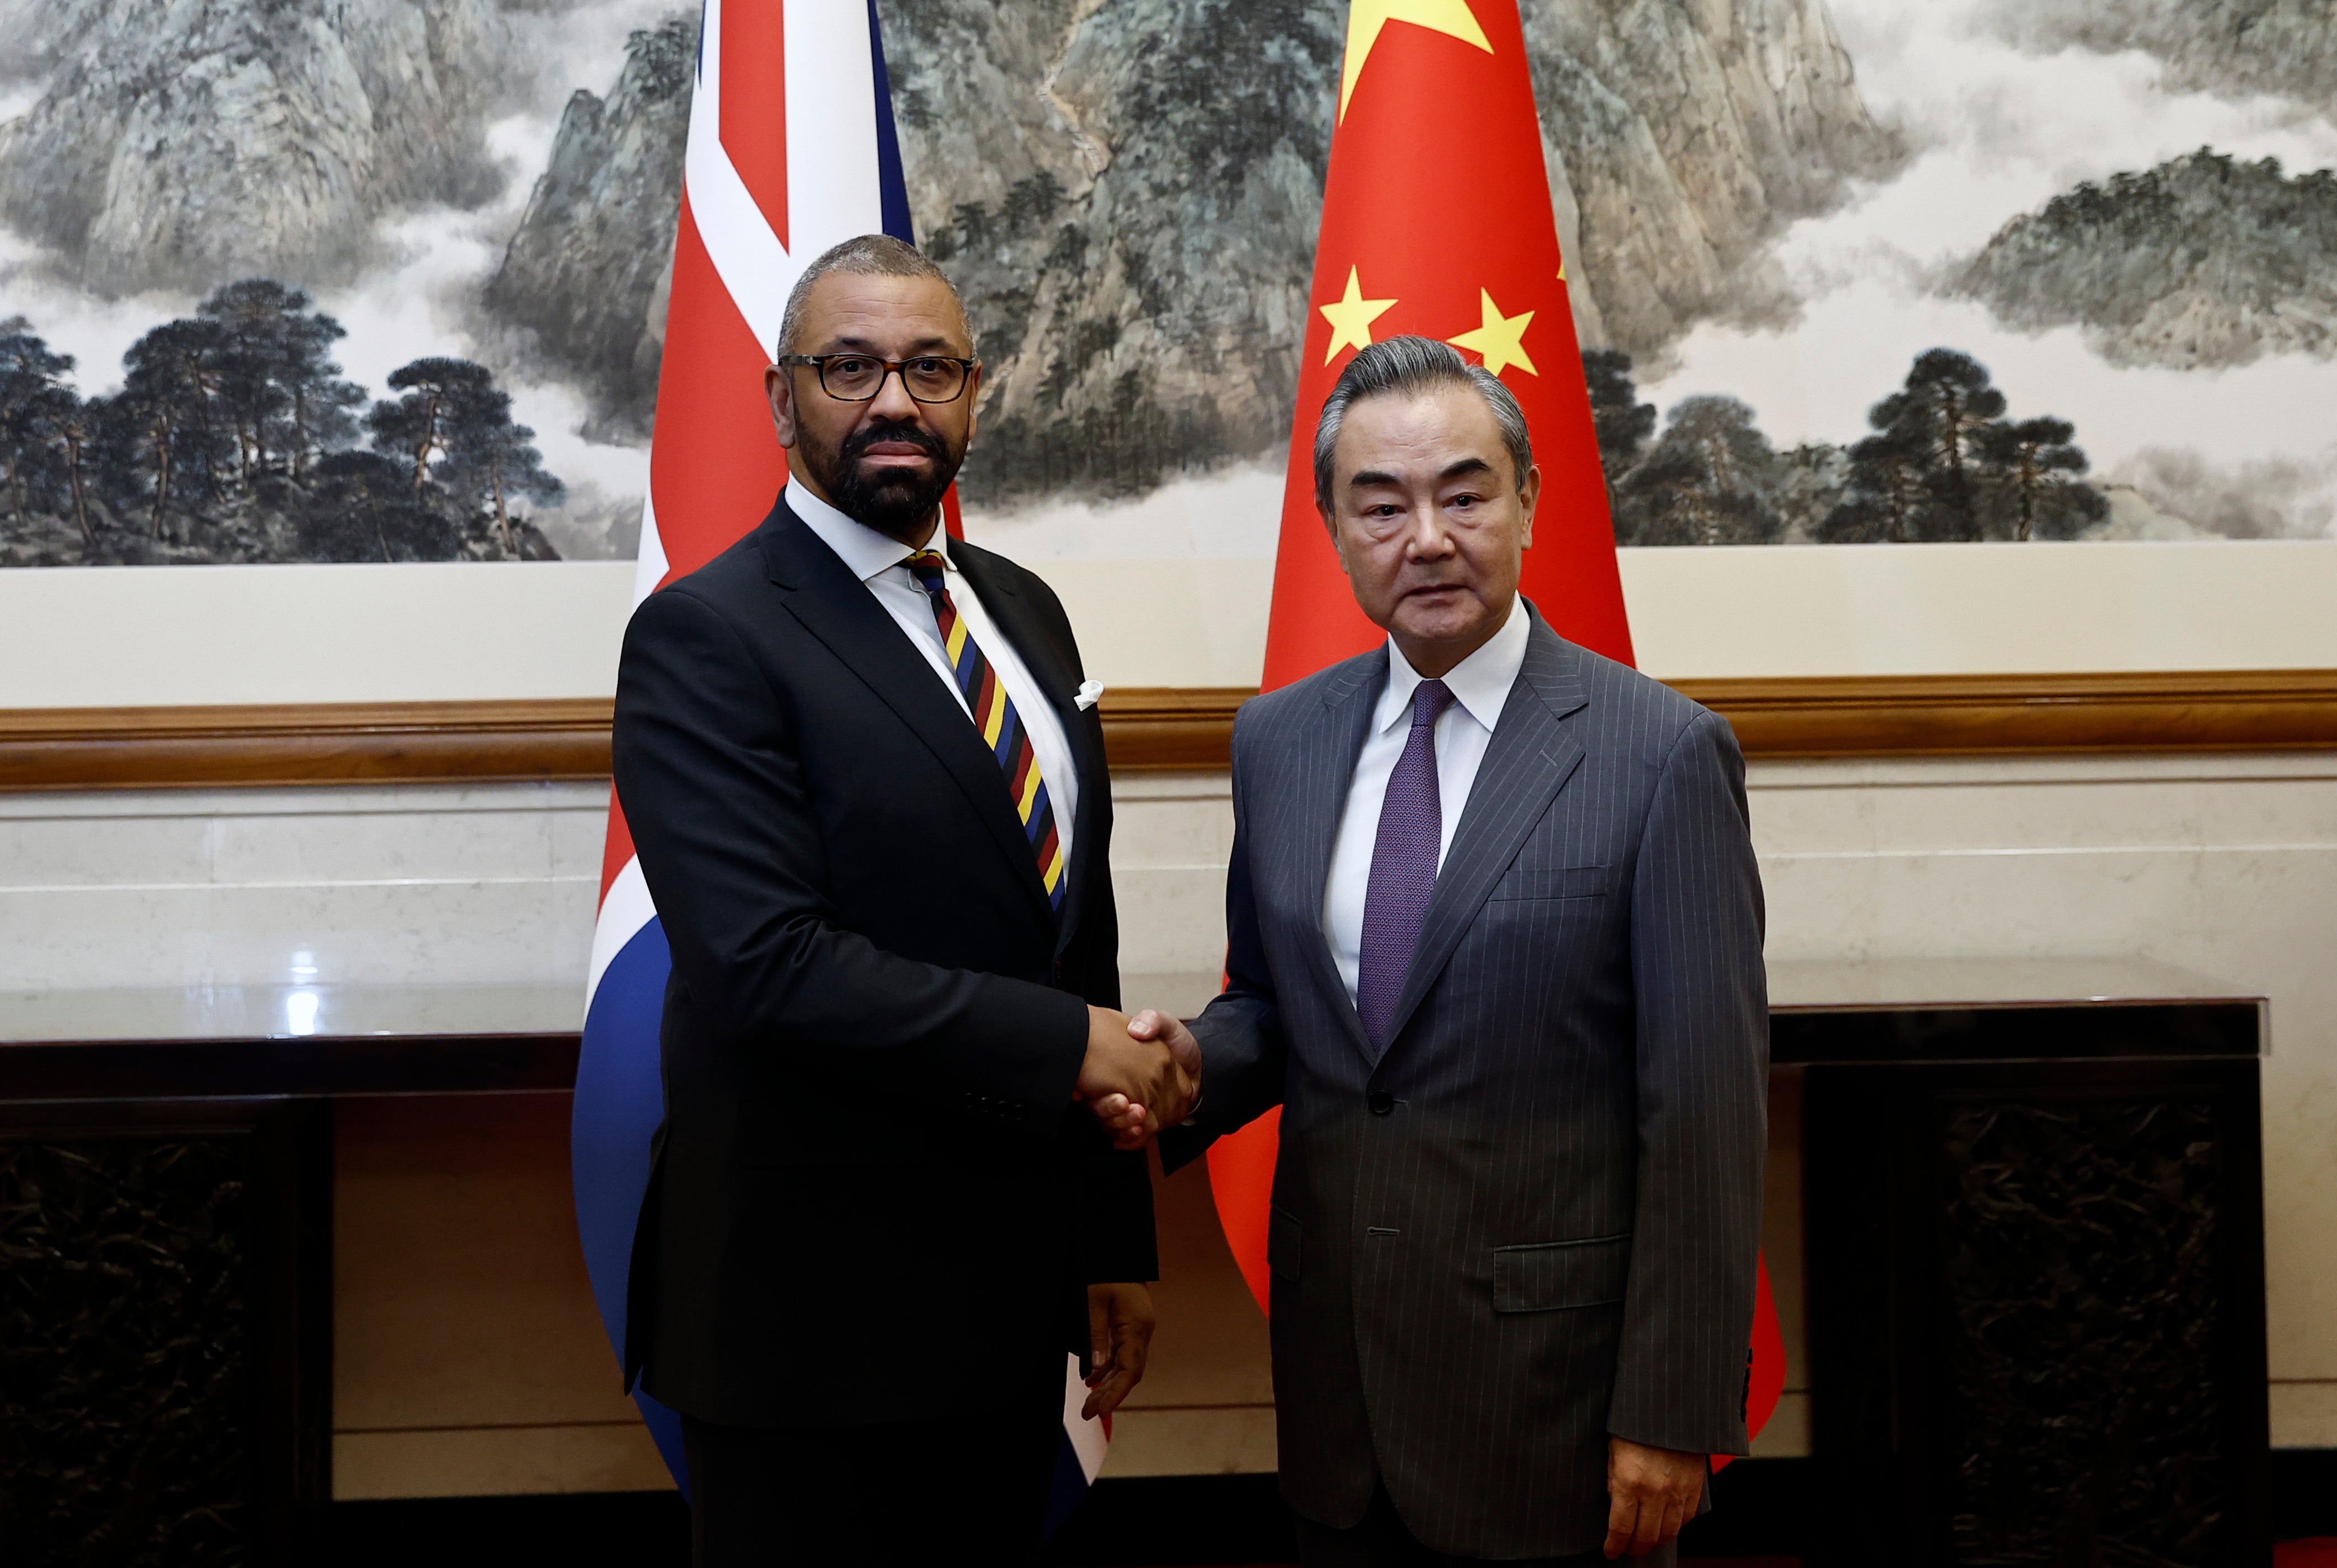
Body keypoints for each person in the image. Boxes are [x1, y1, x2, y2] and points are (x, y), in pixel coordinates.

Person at [1107, 335, 1767, 1567]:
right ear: (1330, 526)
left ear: (1526, 500)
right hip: (1336, 1389)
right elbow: (1278, 1002)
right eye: (1381, 504)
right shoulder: (1280, 742)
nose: (1426, 536)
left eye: (1464, 494)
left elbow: (1704, 1118)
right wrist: (1186, 1059)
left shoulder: (1659, 756)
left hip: (1555, 1412)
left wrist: (1673, 1414)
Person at [610, 234, 1192, 1567]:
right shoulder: (710, 633)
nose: (892, 400)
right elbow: (767, 963)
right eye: (849, 366)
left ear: (973, 396)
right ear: (778, 398)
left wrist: (1112, 1234)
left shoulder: (1022, 612)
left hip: (1007, 1299)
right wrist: (1071, 1050)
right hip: (810, 1322)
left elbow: (1074, 939)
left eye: (929, 368)